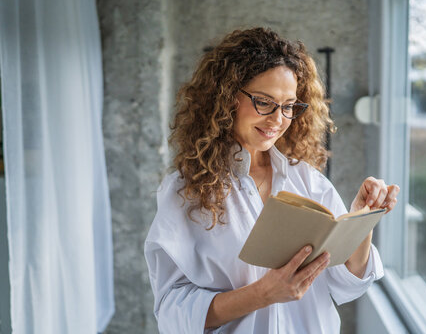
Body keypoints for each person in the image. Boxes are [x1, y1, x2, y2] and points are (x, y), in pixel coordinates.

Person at [144, 27, 400, 333]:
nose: (278, 120)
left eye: (289, 105)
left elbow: (347, 286)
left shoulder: (307, 181)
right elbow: (172, 312)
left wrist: (362, 220)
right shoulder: (186, 191)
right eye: (264, 102)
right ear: (226, 98)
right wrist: (261, 295)